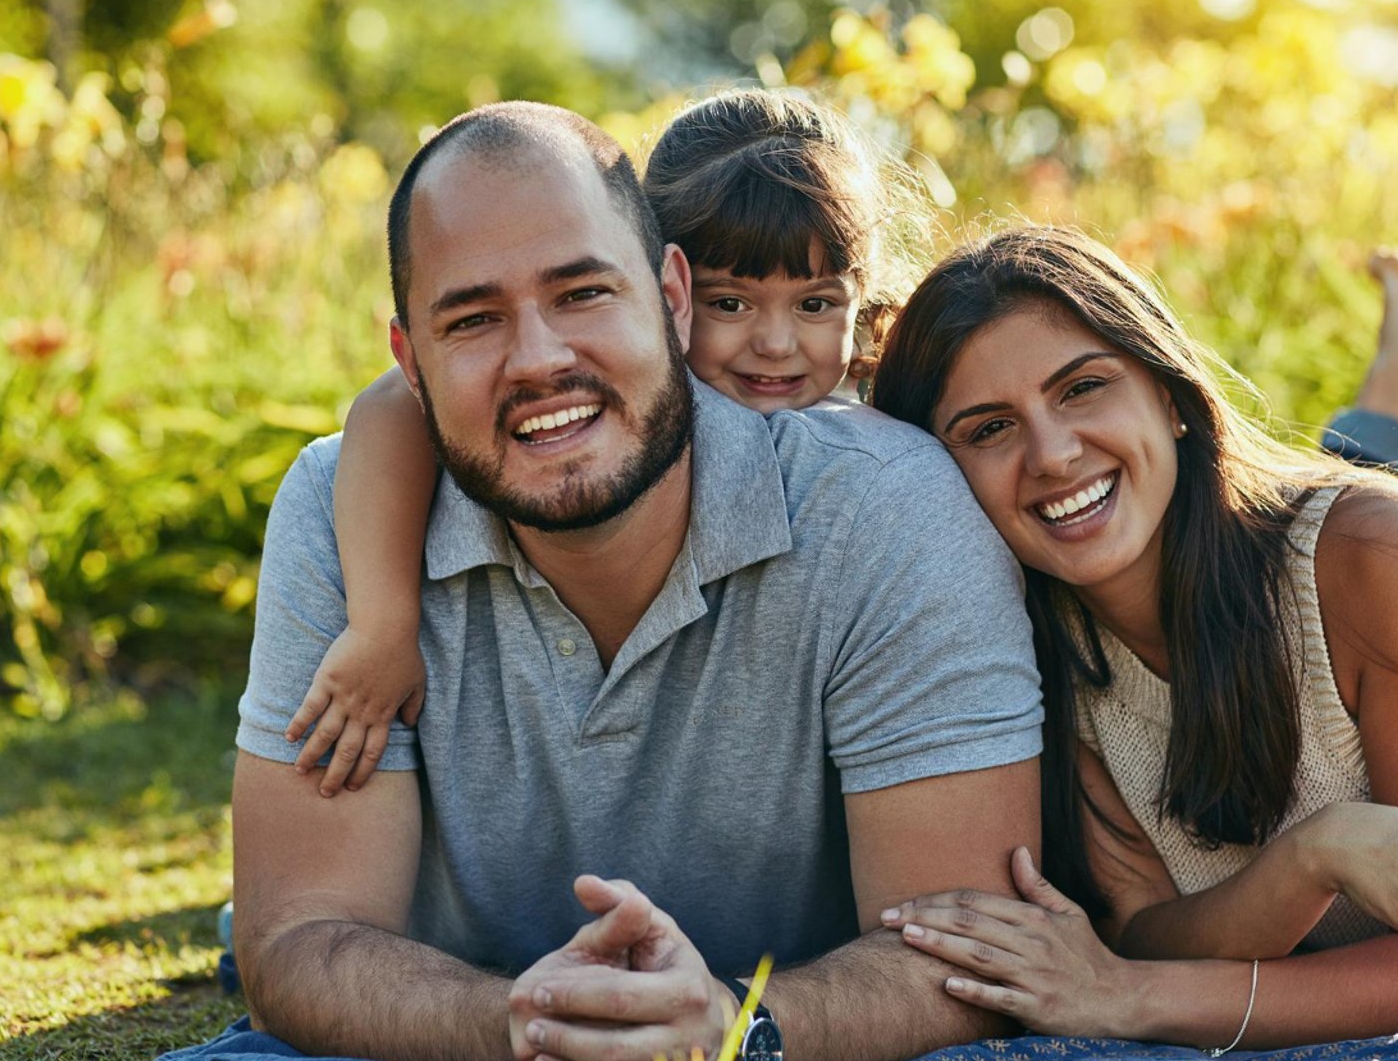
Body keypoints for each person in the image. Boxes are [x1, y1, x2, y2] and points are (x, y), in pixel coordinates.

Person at [228, 101, 1046, 1061]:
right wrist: (532, 1029)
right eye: (471, 319)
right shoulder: (341, 514)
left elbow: (968, 948)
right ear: (409, 358)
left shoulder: (889, 509)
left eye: (583, 292)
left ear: (670, 294)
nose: (536, 360)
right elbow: (298, 935)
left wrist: (734, 1028)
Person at [868, 226, 1398, 1050]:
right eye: (989, 429)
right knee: (1294, 530)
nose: (1053, 452)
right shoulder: (1014, 648)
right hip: (1321, 610)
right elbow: (1150, 932)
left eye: (1082, 388)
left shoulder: (1376, 552)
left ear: (1172, 397)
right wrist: (1312, 856)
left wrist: (1130, 999)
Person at [281, 89, 927, 786]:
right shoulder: (616, 388)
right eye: (730, 304)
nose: (775, 344)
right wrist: (382, 623)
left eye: (815, 304)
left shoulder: (879, 437)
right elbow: (387, 408)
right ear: (667, 295)